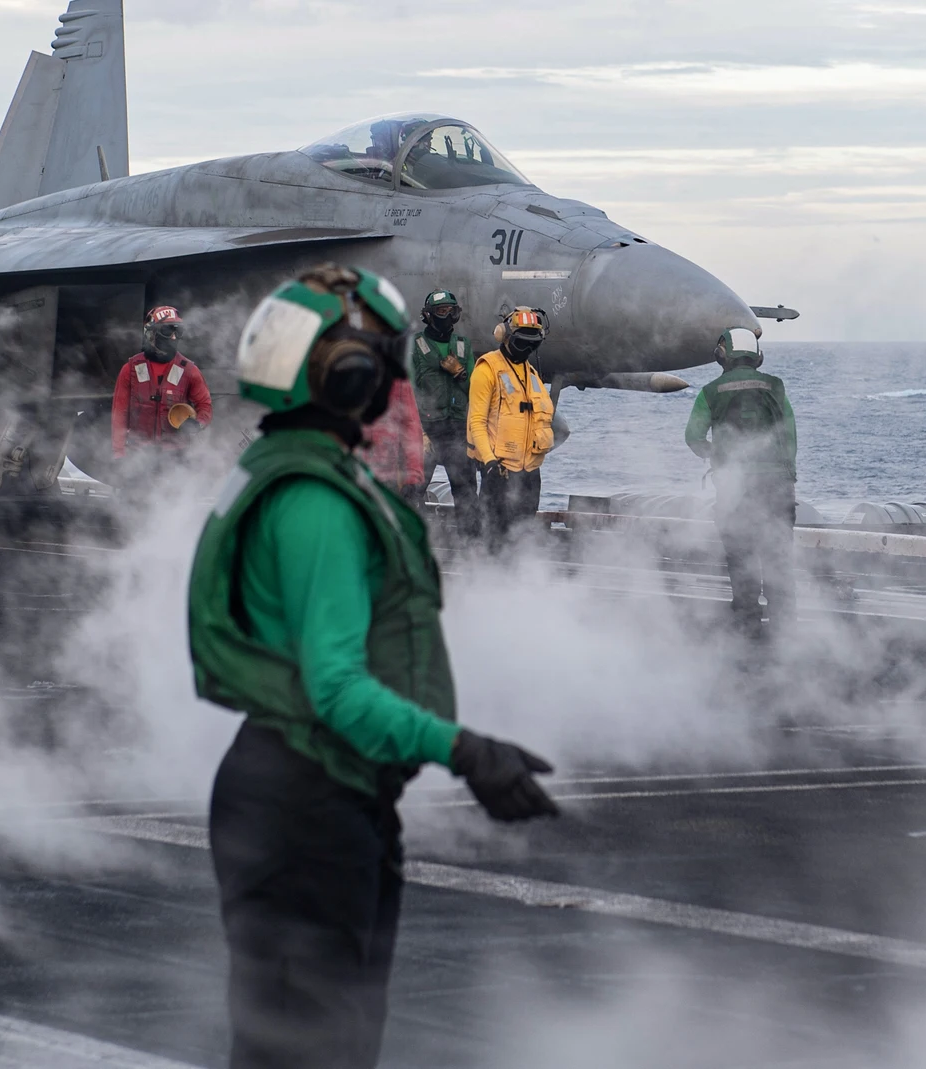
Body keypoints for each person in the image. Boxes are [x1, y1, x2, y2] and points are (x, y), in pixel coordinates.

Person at [188, 264, 559, 1069]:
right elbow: (335, 687)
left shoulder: (291, 466)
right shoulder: (316, 502)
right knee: (314, 1048)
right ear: (345, 371)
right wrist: (464, 751)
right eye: (378, 356)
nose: (393, 372)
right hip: (308, 807)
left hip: (310, 796)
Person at [684, 328, 797, 636]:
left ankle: (747, 627)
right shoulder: (776, 386)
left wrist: (715, 455)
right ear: (756, 356)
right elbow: (789, 434)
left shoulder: (711, 391)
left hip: (736, 491)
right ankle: (786, 632)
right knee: (778, 558)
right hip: (777, 488)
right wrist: (788, 476)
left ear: (723, 356)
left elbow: (692, 437)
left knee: (741, 557)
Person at [466, 307, 555, 543]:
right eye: (521, 343)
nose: (526, 350)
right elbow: (477, 422)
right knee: (494, 538)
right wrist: (490, 463)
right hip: (500, 470)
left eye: (531, 345)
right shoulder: (487, 370)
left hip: (529, 473)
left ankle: (518, 577)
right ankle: (489, 576)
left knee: (522, 537)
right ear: (504, 336)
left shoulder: (532, 374)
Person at [410, 290, 481, 529]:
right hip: (427, 430)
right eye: (442, 311)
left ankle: (472, 550)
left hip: (457, 430)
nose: (447, 316)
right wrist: (417, 431)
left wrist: (460, 373)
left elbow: (476, 387)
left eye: (452, 311)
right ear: (428, 315)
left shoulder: (463, 346)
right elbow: (406, 389)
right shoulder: (415, 346)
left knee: (466, 491)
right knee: (412, 490)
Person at [112, 305, 213, 457]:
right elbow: (119, 415)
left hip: (174, 458)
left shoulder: (189, 371)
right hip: (138, 457)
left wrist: (198, 423)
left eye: (177, 331)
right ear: (151, 334)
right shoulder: (130, 370)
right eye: (167, 331)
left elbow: (205, 405)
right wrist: (119, 453)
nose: (173, 337)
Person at [359, 377, 426, 508]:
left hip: (388, 473)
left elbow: (410, 426)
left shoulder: (397, 378)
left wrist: (412, 474)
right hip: (353, 468)